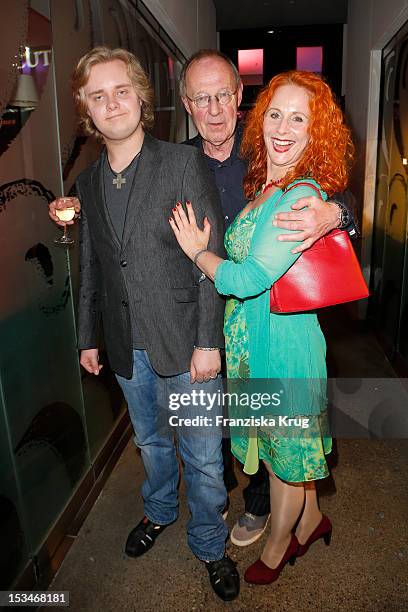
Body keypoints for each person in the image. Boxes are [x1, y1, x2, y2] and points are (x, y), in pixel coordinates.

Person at [49, 47, 239, 602]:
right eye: (98, 94)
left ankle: (209, 544)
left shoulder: (183, 164)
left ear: (141, 97)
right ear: (85, 107)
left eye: (121, 90)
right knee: (152, 444)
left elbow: (212, 255)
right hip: (127, 346)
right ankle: (158, 512)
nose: (112, 103)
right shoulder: (85, 184)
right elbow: (91, 268)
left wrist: (209, 340)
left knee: (204, 456)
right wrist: (88, 336)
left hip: (187, 345)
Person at [169, 69, 354, 585]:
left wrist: (198, 253)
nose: (284, 126)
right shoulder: (266, 183)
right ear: (260, 118)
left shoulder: (299, 195)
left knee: (284, 463)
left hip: (281, 348)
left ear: (316, 133)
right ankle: (313, 521)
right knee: (282, 453)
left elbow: (248, 279)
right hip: (254, 345)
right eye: (276, 113)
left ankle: (278, 548)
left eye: (300, 118)